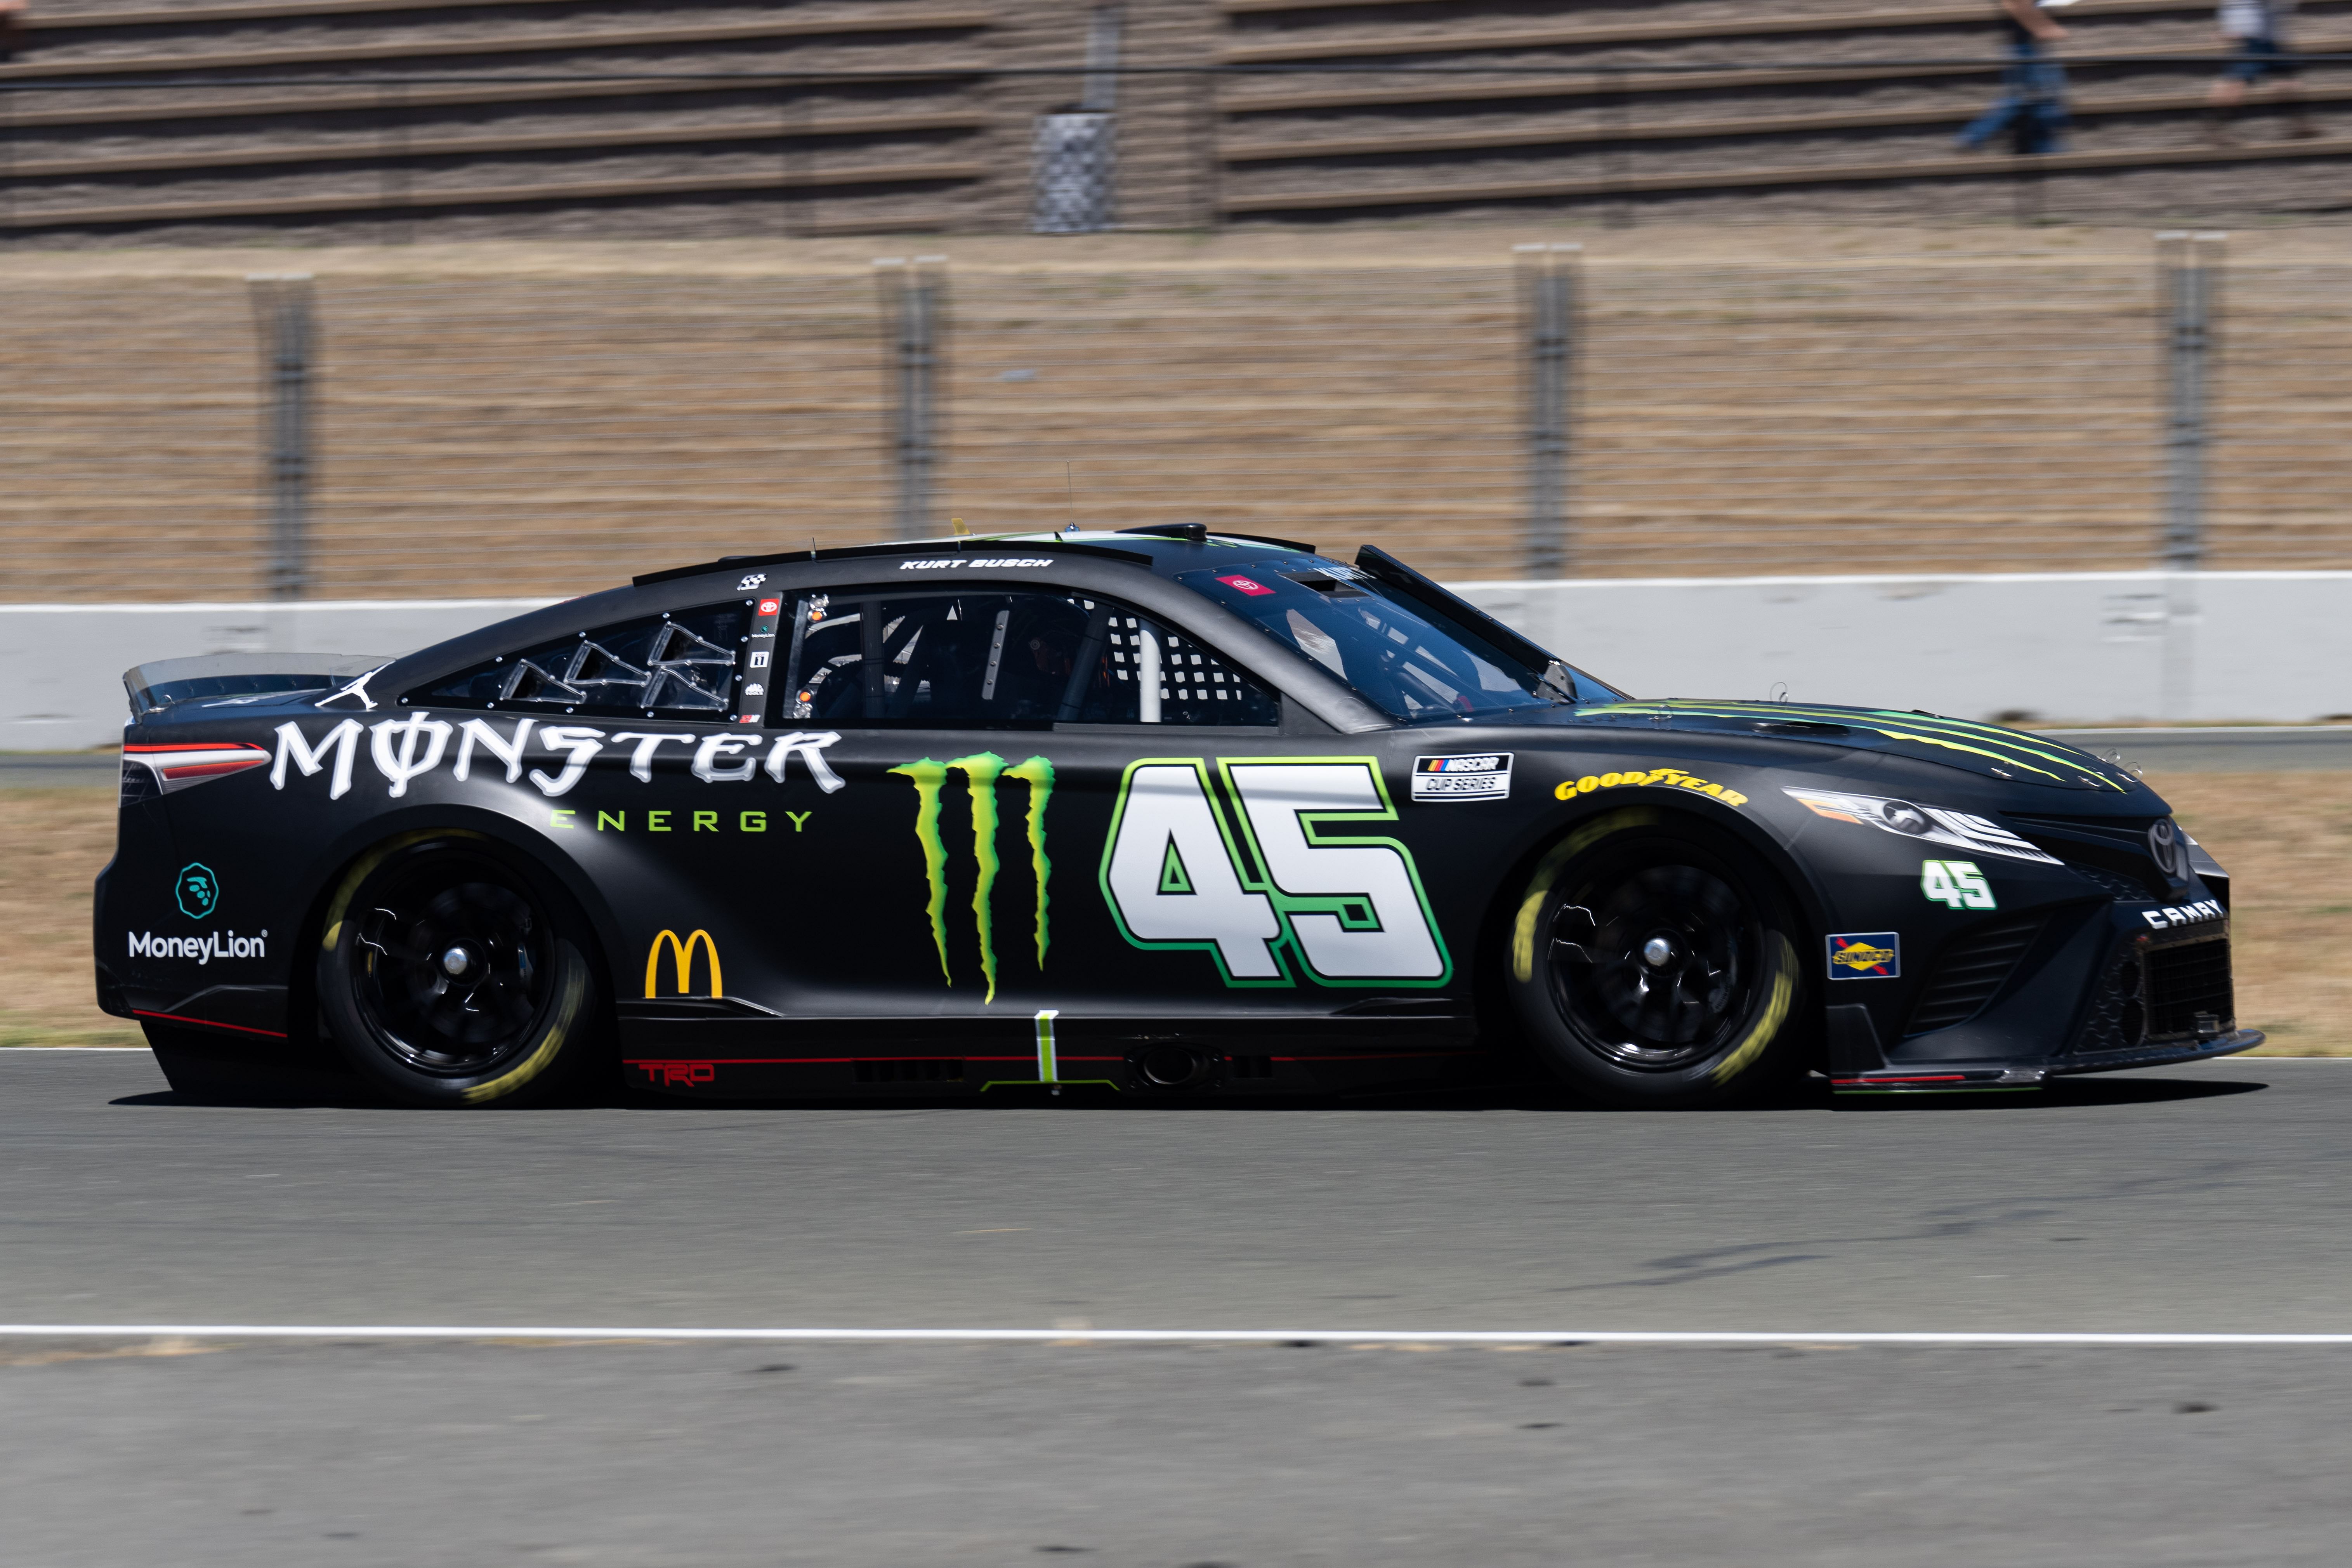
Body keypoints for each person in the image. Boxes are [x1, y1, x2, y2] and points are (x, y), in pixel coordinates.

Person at [1957, 0, 2073, 155]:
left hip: (2026, 43)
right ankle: (1973, 137)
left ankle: (2042, 147)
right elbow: (2015, 3)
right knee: (2022, 98)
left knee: (2040, 97)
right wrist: (2044, 28)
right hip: (2024, 45)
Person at [2208, 0, 2317, 142]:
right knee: (2236, 82)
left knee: (2286, 78)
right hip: (2251, 31)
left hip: (2266, 32)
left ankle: (2299, 123)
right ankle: (2214, 127)